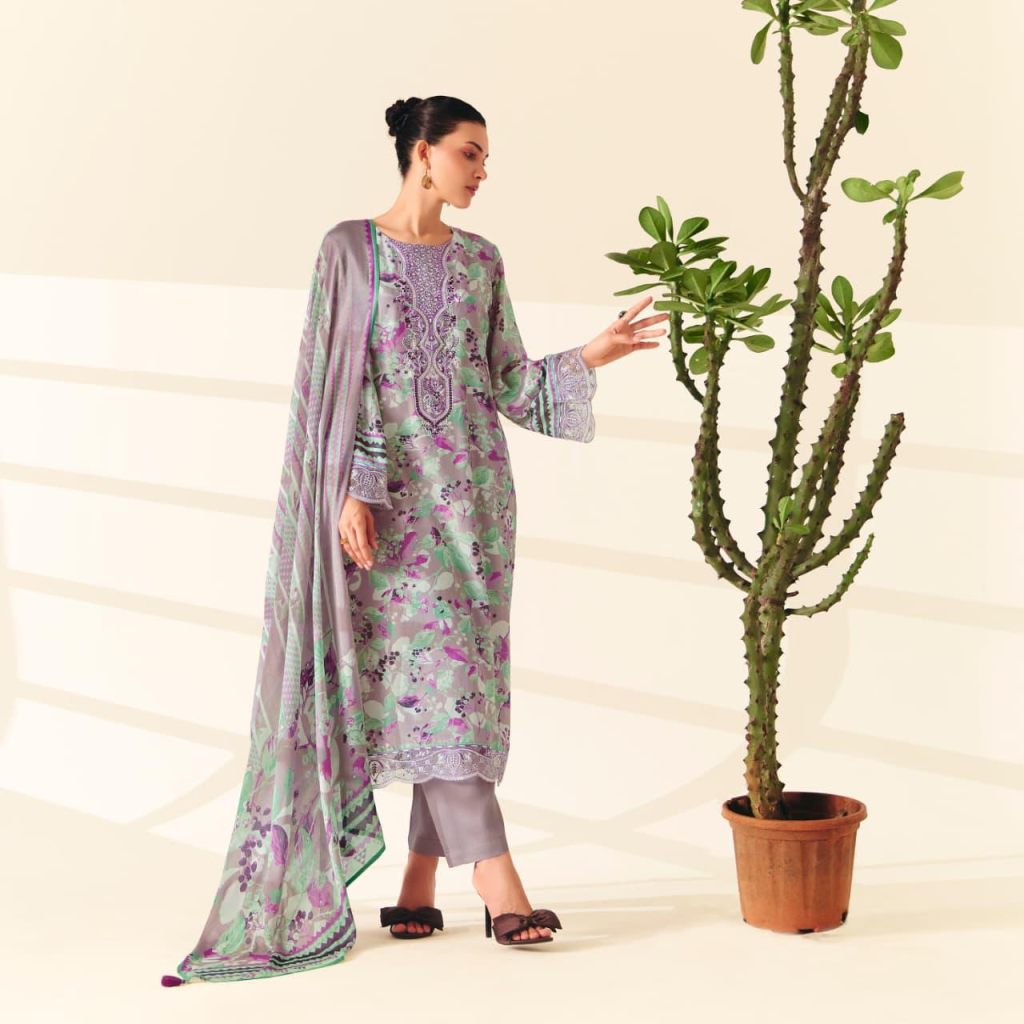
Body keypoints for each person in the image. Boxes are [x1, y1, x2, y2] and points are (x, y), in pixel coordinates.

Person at [163, 93, 666, 986]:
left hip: (475, 509)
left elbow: (507, 382)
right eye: (470, 153)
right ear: (421, 153)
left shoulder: (481, 261)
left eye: (485, 157)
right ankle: (500, 884)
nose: (482, 171)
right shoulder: (349, 251)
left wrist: (590, 355)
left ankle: (418, 882)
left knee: (458, 687)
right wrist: (351, 492)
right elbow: (337, 380)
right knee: (441, 686)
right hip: (389, 517)